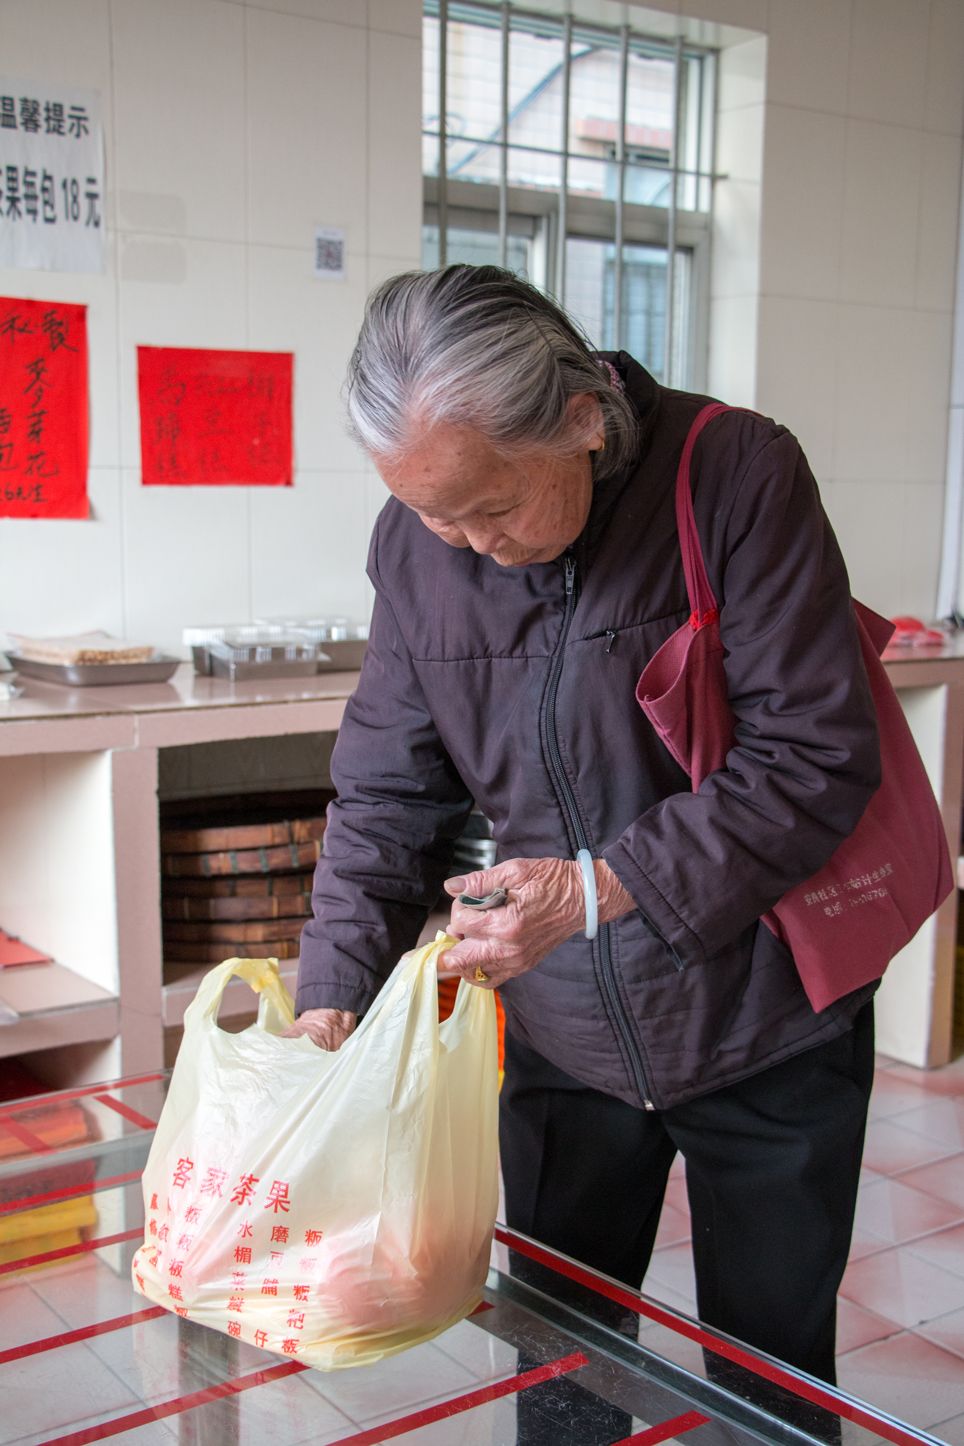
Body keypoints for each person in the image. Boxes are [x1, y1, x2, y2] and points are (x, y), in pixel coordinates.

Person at [289, 265, 880, 1396]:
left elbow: (814, 755)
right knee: (561, 1372)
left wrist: (596, 887)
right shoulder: (420, 549)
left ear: (581, 418)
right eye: (430, 512)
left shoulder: (733, 473)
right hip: (563, 1040)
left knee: (768, 1383)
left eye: (494, 506)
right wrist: (332, 998)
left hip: (760, 1019)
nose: (466, 543)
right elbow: (383, 797)